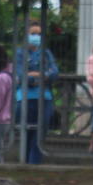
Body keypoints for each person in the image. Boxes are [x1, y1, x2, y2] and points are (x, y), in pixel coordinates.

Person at [15, 21, 61, 164]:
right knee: (26, 133)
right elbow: (21, 75)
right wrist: (41, 76)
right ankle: (24, 162)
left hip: (44, 98)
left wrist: (36, 75)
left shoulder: (46, 53)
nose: (36, 37)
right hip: (24, 98)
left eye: (39, 34)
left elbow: (54, 73)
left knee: (39, 134)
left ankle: (34, 163)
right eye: (33, 34)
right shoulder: (20, 53)